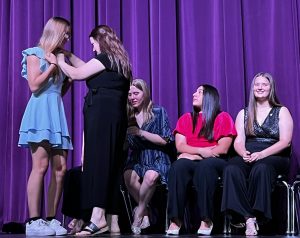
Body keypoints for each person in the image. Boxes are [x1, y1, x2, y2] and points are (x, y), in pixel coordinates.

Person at [57, 25, 132, 236]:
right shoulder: (117, 62)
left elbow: (77, 73)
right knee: (108, 165)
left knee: (99, 164)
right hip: (111, 117)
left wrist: (61, 61)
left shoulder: (106, 58)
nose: (92, 49)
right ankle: (103, 217)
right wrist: (70, 54)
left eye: (93, 44)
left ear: (100, 41)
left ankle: (98, 218)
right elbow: (88, 66)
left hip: (103, 116)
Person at [18, 17, 73, 236]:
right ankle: (33, 222)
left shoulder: (61, 56)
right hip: (39, 114)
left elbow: (58, 92)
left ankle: (51, 219)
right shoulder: (34, 53)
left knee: (60, 169)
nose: (68, 38)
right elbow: (34, 86)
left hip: (56, 114)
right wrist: (52, 65)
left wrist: (66, 78)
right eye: (65, 33)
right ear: (55, 32)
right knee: (40, 167)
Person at [221, 72, 293, 236]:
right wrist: (243, 153)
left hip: (274, 153)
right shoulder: (244, 113)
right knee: (231, 168)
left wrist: (262, 154)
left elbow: (285, 142)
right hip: (249, 151)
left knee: (261, 168)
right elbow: (238, 141)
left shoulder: (281, 111)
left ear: (271, 88)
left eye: (264, 84)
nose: (260, 87)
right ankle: (248, 217)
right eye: (257, 84)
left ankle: (258, 215)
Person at [166, 84, 237, 236]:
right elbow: (180, 146)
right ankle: (175, 219)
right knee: (178, 167)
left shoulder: (223, 117)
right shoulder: (186, 119)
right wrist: (199, 152)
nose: (194, 94)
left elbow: (223, 148)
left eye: (200, 92)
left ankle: (206, 218)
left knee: (205, 167)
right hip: (194, 158)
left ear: (210, 97)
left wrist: (195, 155)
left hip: (215, 160)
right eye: (195, 91)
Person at [123, 79, 174, 234]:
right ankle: (146, 210)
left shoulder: (158, 112)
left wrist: (141, 133)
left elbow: (165, 140)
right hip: (138, 158)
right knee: (128, 176)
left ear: (145, 94)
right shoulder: (128, 116)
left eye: (136, 93)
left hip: (158, 156)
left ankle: (139, 212)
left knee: (150, 176)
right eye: (130, 94)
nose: (132, 97)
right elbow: (126, 146)